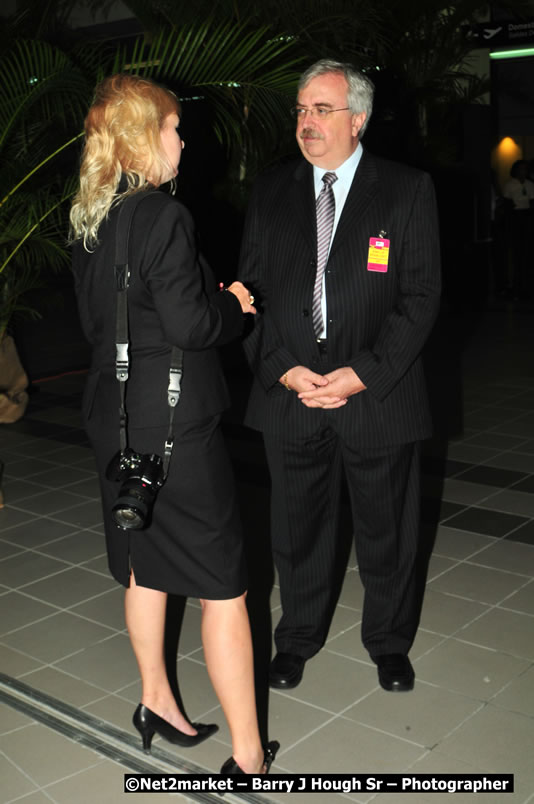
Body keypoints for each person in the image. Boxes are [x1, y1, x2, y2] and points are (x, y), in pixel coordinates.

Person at [69, 74, 277, 774]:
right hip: (175, 430)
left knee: (144, 566)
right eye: (172, 127)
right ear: (141, 136)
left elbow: (101, 324)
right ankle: (250, 755)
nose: (181, 138)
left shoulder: (89, 218)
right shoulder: (163, 215)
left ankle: (155, 698)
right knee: (225, 587)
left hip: (115, 420)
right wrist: (234, 303)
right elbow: (191, 324)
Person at [238, 59, 441, 693]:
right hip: (293, 391)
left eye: (321, 110)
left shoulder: (406, 189)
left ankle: (388, 642)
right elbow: (249, 293)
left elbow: (421, 296)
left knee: (388, 529)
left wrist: (362, 374)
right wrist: (282, 370)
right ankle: (296, 638)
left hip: (377, 393)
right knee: (297, 529)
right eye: (300, 109)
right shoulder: (271, 191)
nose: (306, 122)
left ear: (357, 119)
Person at [502, 159, 534, 299]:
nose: (523, 172)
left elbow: (532, 202)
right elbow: (506, 204)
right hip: (515, 218)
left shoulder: (530, 184)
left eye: (525, 169)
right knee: (516, 252)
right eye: (520, 169)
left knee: (527, 251)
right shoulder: (510, 185)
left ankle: (525, 285)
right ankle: (514, 284)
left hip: (527, 218)